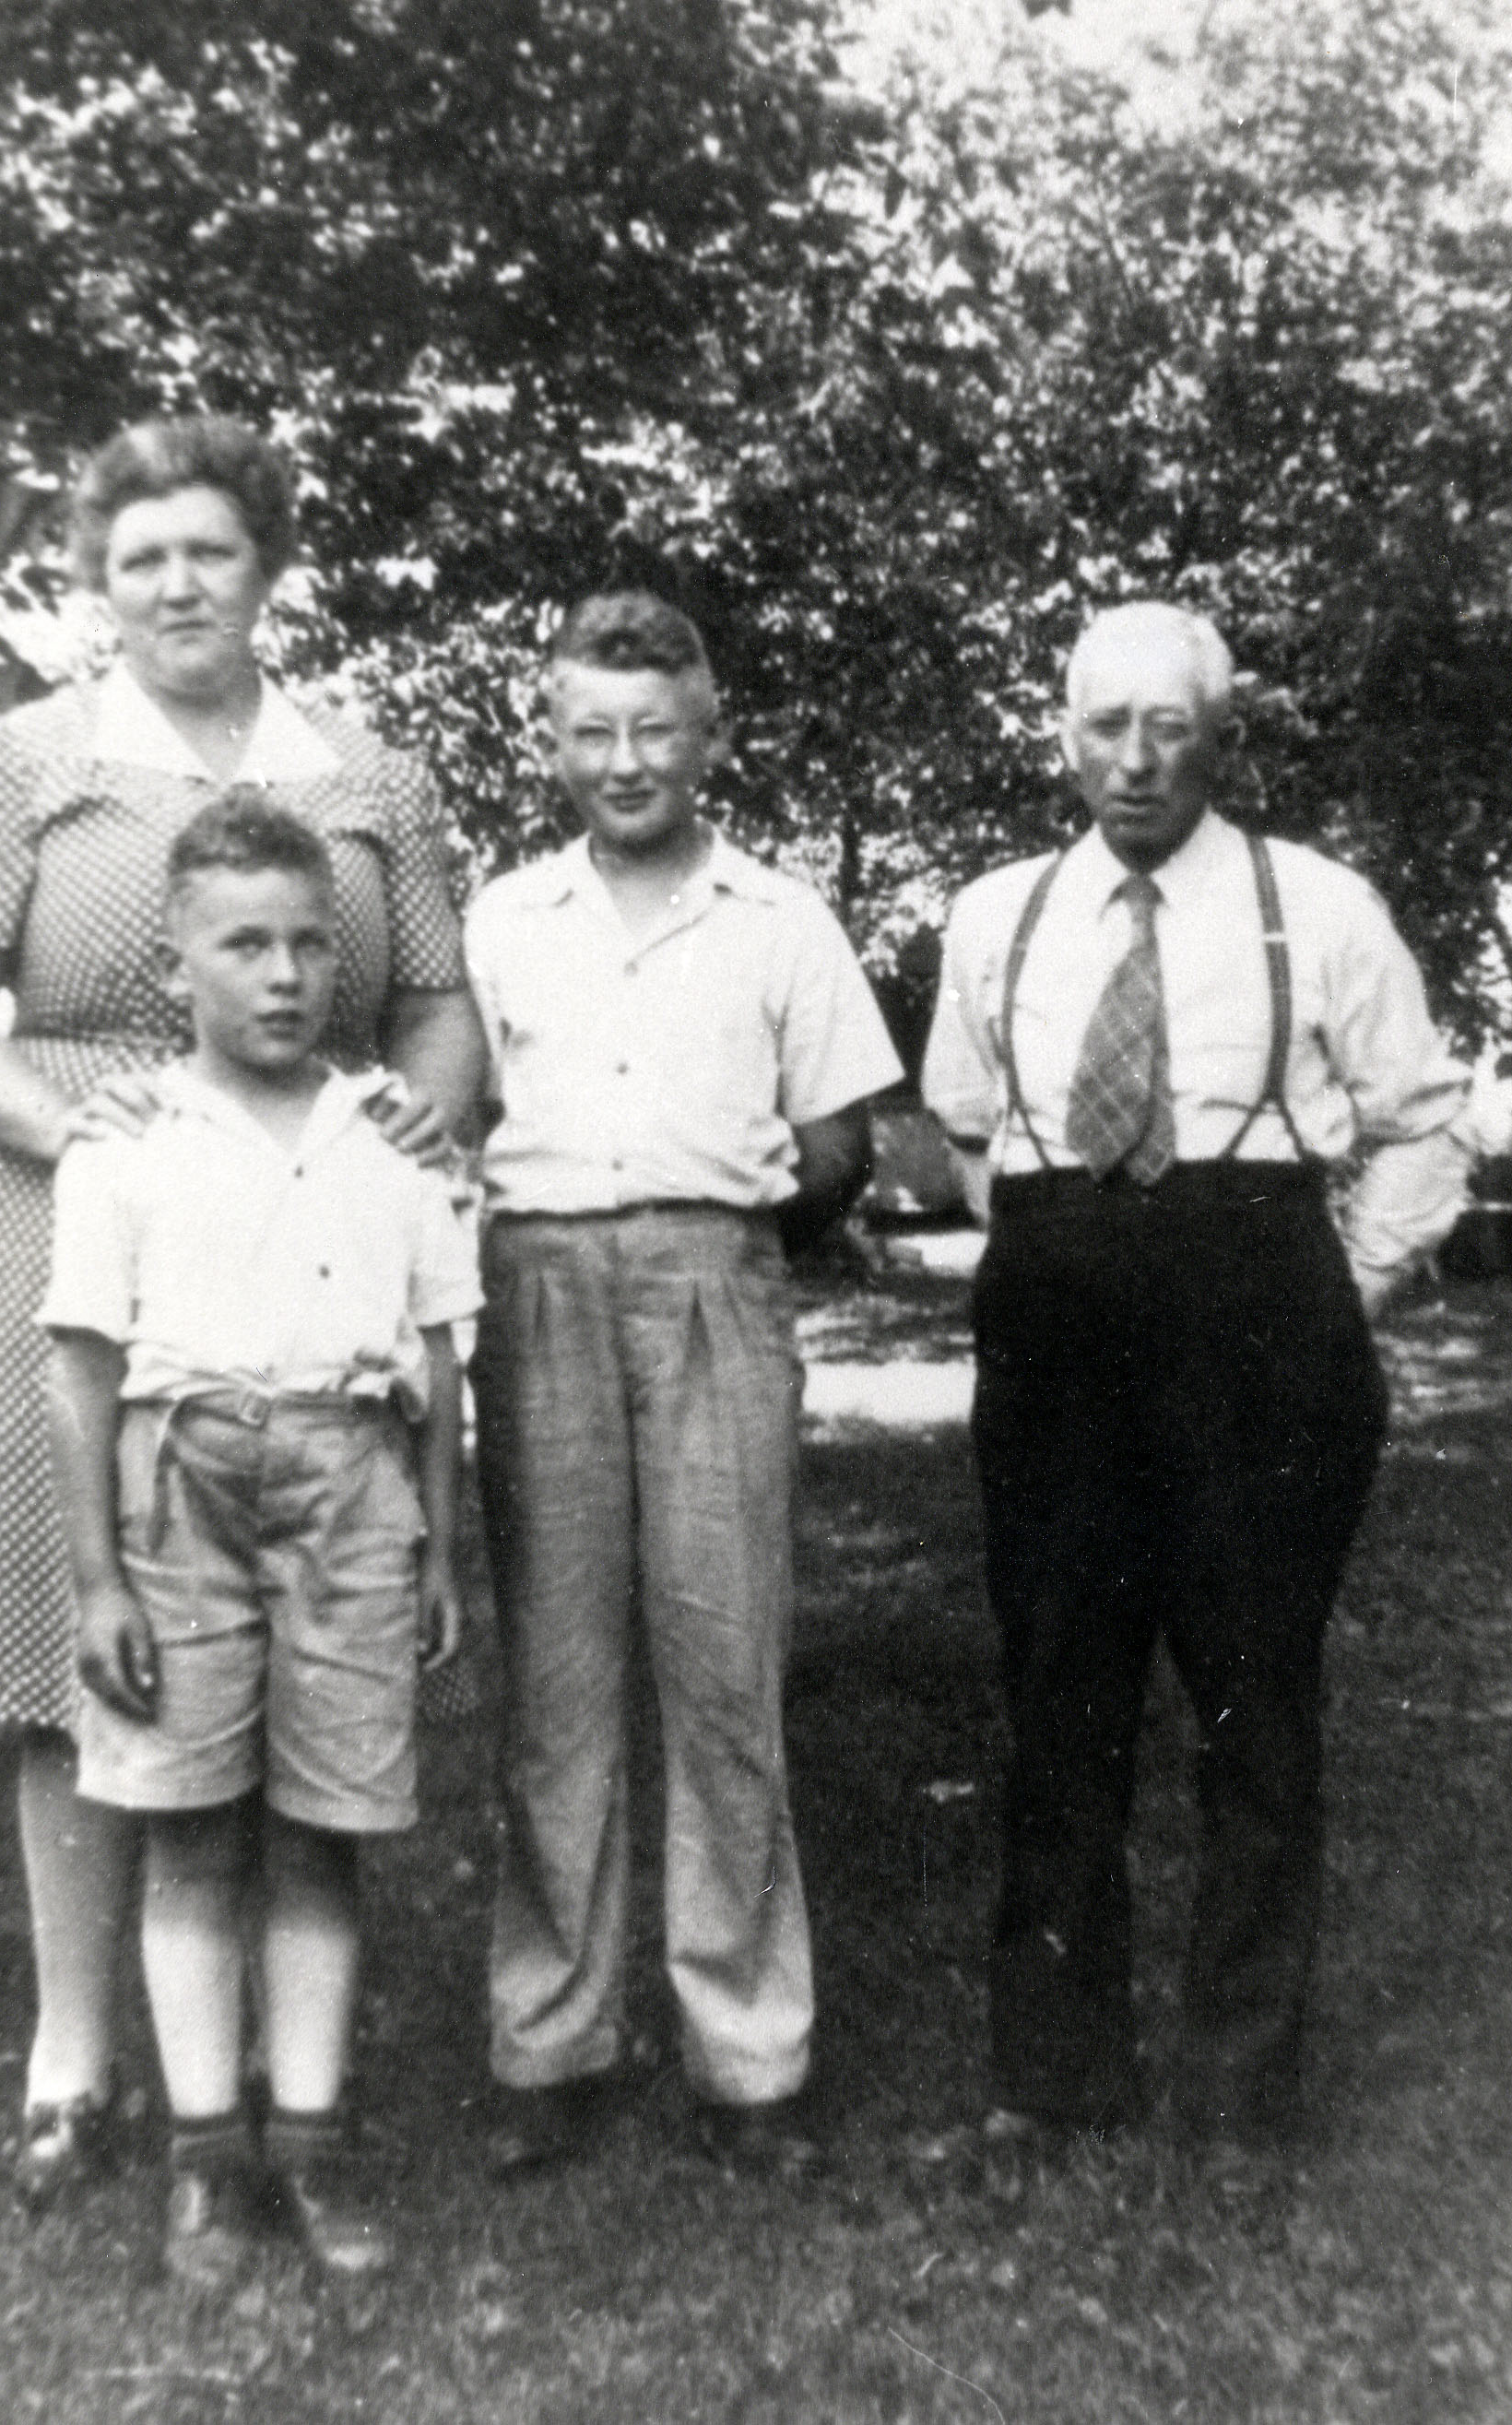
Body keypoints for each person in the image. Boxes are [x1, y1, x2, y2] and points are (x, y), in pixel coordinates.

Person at [0, 416, 484, 2207]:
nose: (175, 585)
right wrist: (75, 1130)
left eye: (209, 550)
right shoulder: (23, 756)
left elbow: (438, 1002)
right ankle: (77, 2062)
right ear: (97, 577)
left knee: (299, 1622)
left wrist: (417, 1121)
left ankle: (274, 2078)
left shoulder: (366, 773)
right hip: (75, 1203)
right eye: (139, 556)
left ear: (266, 565)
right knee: (73, 1633)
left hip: (309, 1219)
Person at [922, 601, 1469, 2160]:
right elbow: (968, 1125)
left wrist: (1340, 1290)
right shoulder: (996, 914)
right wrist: (1063, 1254)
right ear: (1063, 736)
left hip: (1262, 1334)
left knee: (1255, 1703)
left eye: (1169, 726)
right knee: (1057, 1696)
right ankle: (1052, 2073)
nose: (1136, 759)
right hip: (1058, 1341)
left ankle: (1239, 2091)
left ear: (1220, 737)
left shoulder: (1320, 905)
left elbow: (1420, 1118)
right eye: (1105, 725)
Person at [465, 591, 904, 2178]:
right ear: (552, 743)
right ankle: (552, 2039)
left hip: (718, 1276)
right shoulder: (500, 919)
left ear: (709, 735)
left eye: (656, 728)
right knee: (557, 1684)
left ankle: (749, 2054)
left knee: (725, 1675)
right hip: (538, 1286)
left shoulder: (779, 917)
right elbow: (449, 1117)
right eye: (592, 730)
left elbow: (843, 1133)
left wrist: (738, 1228)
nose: (625, 760)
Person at [40, 797, 480, 2286]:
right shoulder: (128, 1141)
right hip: (183, 1490)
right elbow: (83, 1369)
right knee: (189, 1828)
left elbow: (438, 1355)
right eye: (243, 945)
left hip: (352, 1486)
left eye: (308, 943)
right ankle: (205, 2157)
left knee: (321, 1827)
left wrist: (435, 1546)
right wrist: (98, 1580)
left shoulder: (391, 1136)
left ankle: (308, 2139)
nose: (284, 974)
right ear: (176, 967)